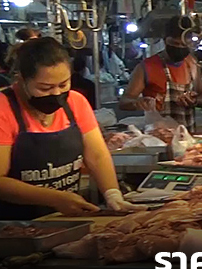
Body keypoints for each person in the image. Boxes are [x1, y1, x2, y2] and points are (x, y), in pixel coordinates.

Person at [0, 37, 143, 219]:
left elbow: (97, 155)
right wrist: (54, 198)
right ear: (20, 79)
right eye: (45, 88)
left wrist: (112, 194)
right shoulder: (3, 108)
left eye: (63, 84)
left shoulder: (76, 102)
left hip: (65, 220)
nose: (56, 93)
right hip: (13, 225)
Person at [119, 15, 202, 132]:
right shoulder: (147, 67)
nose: (179, 47)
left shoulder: (191, 64)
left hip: (187, 137)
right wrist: (137, 103)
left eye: (183, 44)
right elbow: (124, 102)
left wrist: (194, 101)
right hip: (158, 139)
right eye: (174, 43)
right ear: (165, 40)